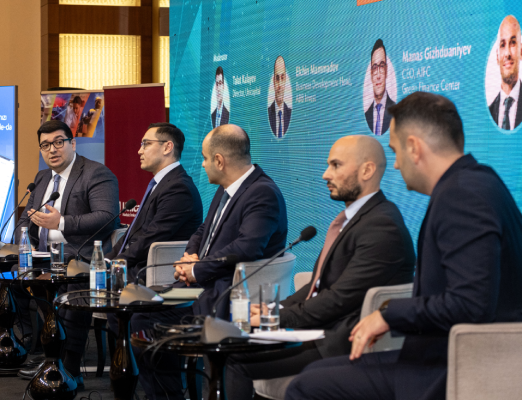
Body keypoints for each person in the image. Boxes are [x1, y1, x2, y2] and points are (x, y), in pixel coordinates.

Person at [286, 91, 522, 400]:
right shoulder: (478, 181)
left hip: (459, 367)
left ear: (414, 147)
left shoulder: (462, 196)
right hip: (448, 356)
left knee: (306, 386)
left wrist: (387, 315)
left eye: (395, 151)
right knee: (314, 374)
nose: (395, 165)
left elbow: (470, 303)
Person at [224, 135, 415, 399]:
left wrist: (276, 318)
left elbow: (339, 299)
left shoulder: (382, 226)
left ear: (367, 170)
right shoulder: (356, 219)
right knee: (232, 344)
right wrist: (274, 310)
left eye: (336, 165)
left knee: (235, 358)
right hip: (321, 330)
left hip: (338, 341)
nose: (325, 174)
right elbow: (318, 285)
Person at [134, 124, 288, 400]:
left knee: (145, 320)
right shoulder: (227, 188)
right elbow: (203, 230)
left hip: (226, 295)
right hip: (202, 286)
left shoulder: (262, 193)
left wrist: (196, 269)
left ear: (219, 160)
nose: (202, 164)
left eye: (205, 158)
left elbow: (247, 248)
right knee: (142, 312)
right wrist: (191, 255)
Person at [0, 120, 121, 386]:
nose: (52, 149)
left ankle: (67, 364)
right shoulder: (41, 178)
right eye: (45, 145)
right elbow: (24, 220)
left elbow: (107, 217)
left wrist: (61, 222)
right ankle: (36, 342)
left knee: (69, 283)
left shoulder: (96, 173)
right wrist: (25, 241)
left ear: (73, 143)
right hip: (41, 257)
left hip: (78, 257)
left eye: (59, 142)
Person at [104, 122, 203, 333]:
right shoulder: (162, 184)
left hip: (155, 272)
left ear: (167, 147)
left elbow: (152, 237)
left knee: (104, 292)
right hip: (140, 266)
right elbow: (133, 233)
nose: (139, 151)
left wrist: (116, 264)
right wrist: (108, 260)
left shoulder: (178, 187)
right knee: (86, 281)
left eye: (146, 144)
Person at [489, 15, 522, 130]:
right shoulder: (489, 111)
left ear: (521, 51)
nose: (507, 53)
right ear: (497, 56)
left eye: (512, 43)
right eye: (502, 45)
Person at [365, 39, 395, 136]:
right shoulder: (366, 115)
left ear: (386, 70)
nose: (378, 75)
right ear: (371, 74)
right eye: (374, 67)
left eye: (381, 66)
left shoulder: (396, 112)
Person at [268, 56, 292, 138]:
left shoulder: (290, 115)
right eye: (277, 79)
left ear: (285, 80)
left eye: (282, 78)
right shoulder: (267, 115)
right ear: (274, 81)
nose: (280, 85)